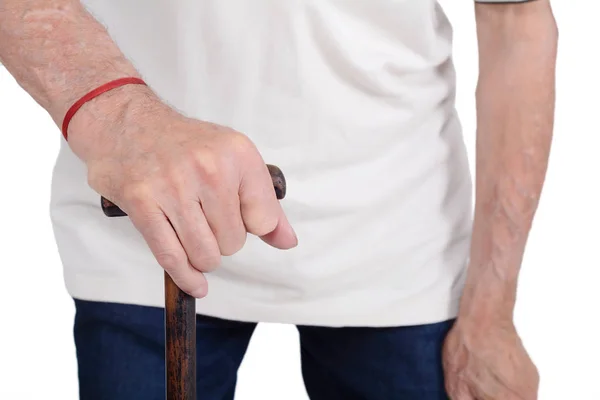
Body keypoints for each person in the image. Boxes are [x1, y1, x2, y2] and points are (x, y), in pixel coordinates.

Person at [0, 0, 557, 399]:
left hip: (399, 246)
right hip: (148, 232)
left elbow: (516, 24)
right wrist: (118, 119)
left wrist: (493, 313)